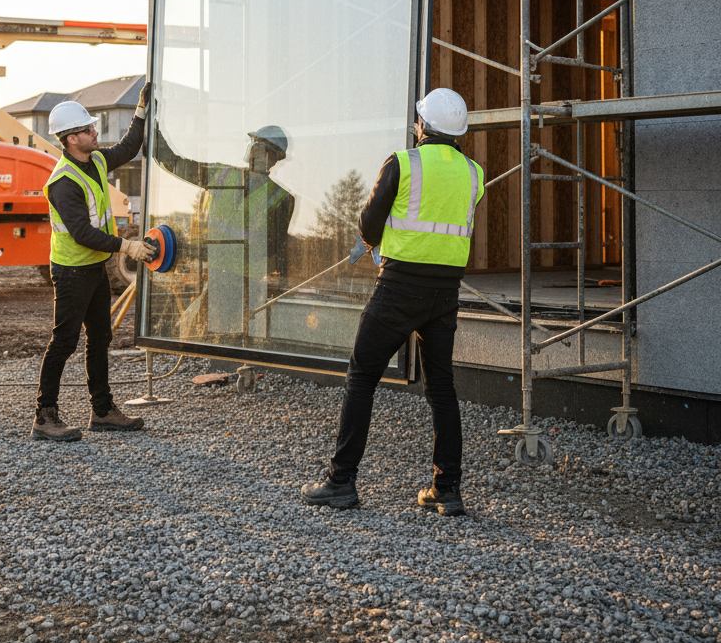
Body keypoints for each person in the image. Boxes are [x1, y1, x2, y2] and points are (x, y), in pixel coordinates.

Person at [301, 88, 484, 515]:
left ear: (424, 127)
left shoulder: (404, 162)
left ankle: (341, 481)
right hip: (445, 294)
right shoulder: (473, 174)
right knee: (441, 388)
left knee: (362, 375)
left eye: (418, 120)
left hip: (399, 287)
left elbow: (369, 222)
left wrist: (371, 241)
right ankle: (447, 489)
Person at [30, 82, 156, 442]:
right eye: (88, 129)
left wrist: (141, 111)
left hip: (93, 268)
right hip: (71, 271)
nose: (94, 131)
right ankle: (44, 416)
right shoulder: (63, 182)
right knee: (64, 342)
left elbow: (130, 146)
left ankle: (102, 411)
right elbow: (83, 233)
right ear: (71, 139)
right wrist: (126, 247)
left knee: (100, 337)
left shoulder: (97, 160)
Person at [152, 122, 295, 339]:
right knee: (210, 335)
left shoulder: (280, 198)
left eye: (259, 147)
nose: (254, 151)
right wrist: (151, 127)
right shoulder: (223, 174)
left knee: (232, 337)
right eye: (254, 145)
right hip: (221, 277)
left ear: (273, 157)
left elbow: (274, 249)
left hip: (248, 284)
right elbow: (173, 163)